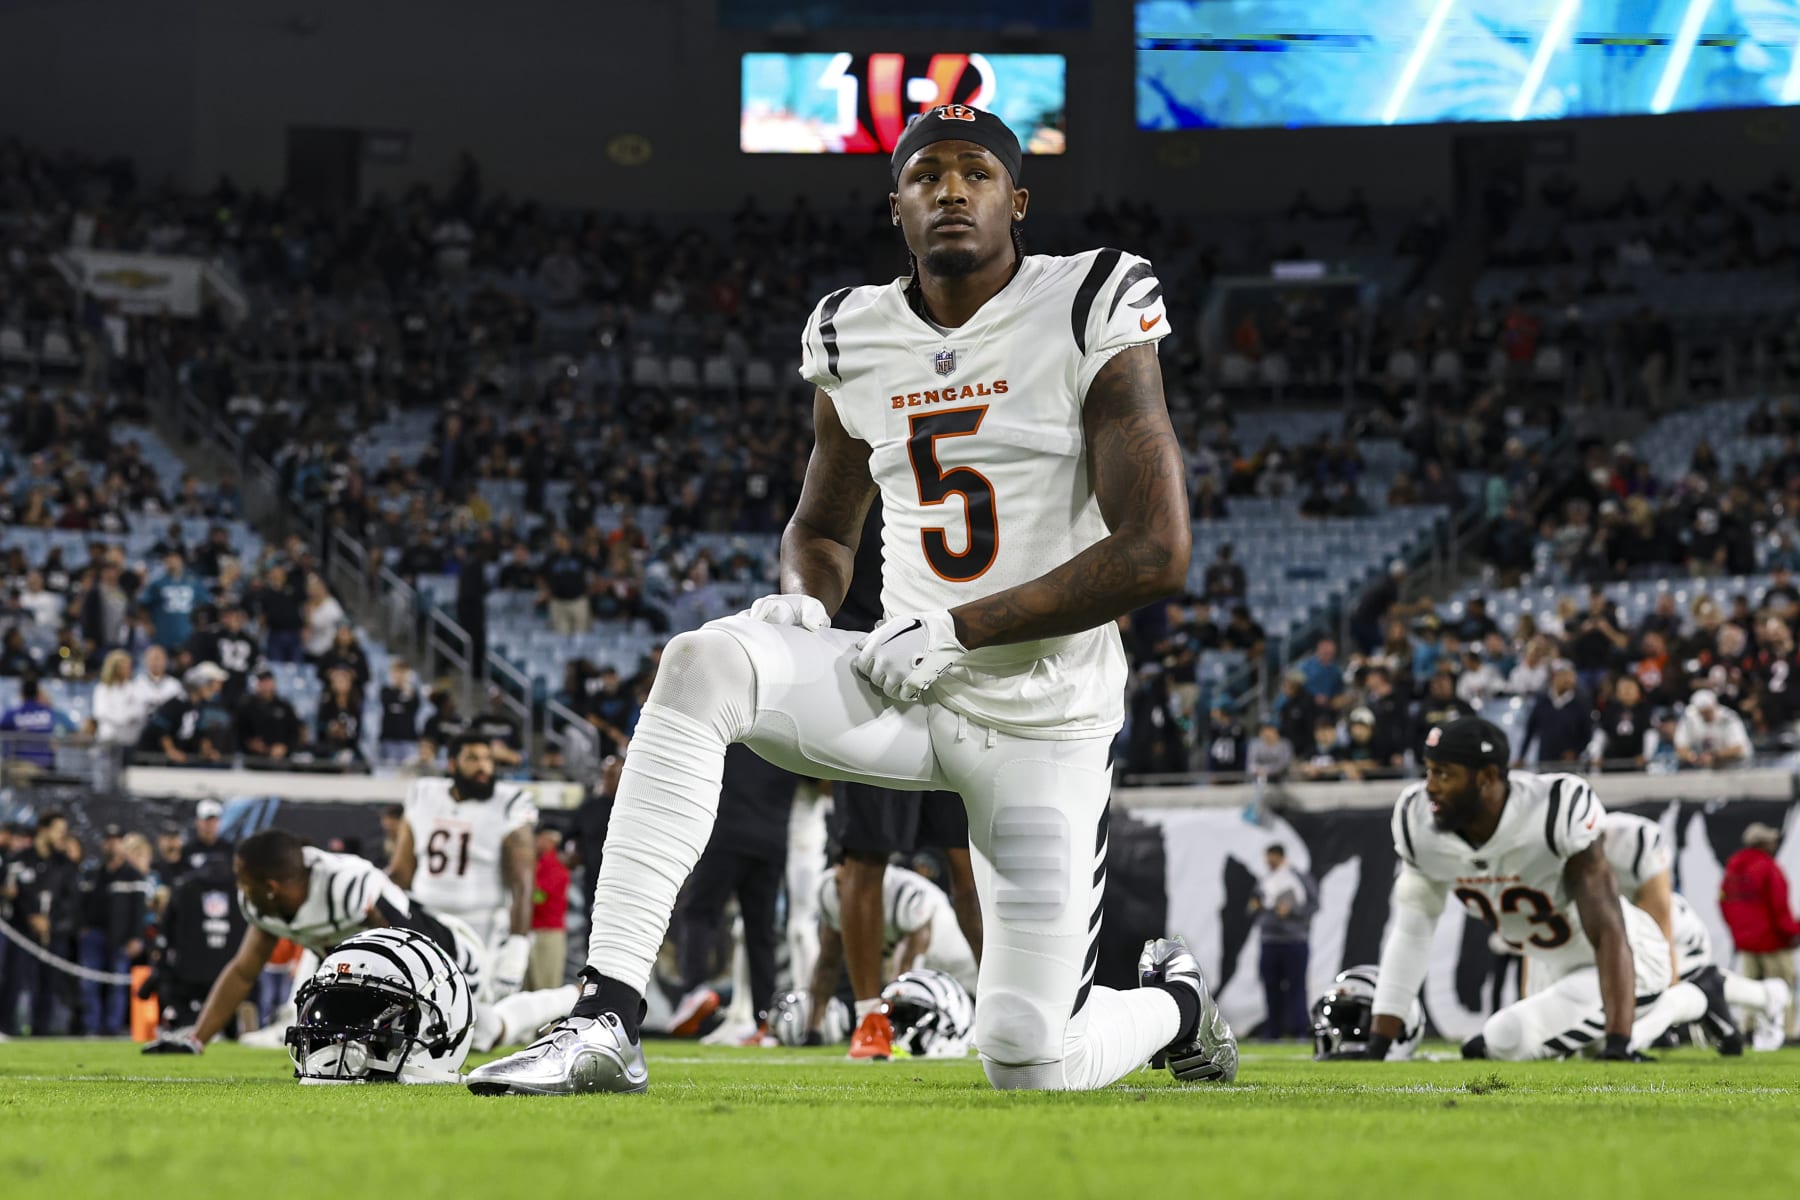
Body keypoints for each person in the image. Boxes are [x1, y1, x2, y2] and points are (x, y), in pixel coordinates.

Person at [469, 104, 1234, 1098]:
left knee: (1027, 1058)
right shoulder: (851, 329)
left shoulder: (1092, 297)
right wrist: (803, 598)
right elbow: (824, 530)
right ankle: (606, 1018)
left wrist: (961, 629)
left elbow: (1157, 553)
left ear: (1018, 199)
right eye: (926, 176)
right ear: (896, 208)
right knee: (705, 662)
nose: (951, 191)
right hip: (903, 687)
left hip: (1043, 712)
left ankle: (1176, 1005)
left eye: (976, 173)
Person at [1360, 718, 1706, 1062]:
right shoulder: (1418, 821)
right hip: (1552, 968)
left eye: (1445, 774)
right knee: (1535, 1045)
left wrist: (1620, 1043)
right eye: (1429, 771)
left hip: (1634, 961)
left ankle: (1688, 999)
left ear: (1487, 777)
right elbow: (1411, 933)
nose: (1431, 787)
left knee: (1506, 1038)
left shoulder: (1554, 809)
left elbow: (1608, 930)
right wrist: (1377, 1046)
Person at [142, 828, 575, 1056]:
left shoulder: (349, 885)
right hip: (382, 974)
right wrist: (196, 1040)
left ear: (271, 885)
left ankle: (567, 998)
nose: (239, 888)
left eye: (245, 880)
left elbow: (413, 948)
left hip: (447, 962)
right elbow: (243, 970)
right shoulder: (266, 903)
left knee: (485, 1033)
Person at [822, 505, 982, 1060]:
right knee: (863, 859)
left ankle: (1002, 1001)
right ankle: (870, 1020)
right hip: (874, 679)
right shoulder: (858, 472)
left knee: (972, 862)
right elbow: (817, 536)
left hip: (954, 676)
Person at [1603, 811, 1779, 1052]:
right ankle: (1761, 998)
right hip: (1762, 935)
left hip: (1679, 934)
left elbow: (1663, 924)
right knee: (1694, 990)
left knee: (1675, 994)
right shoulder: (1763, 868)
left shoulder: (1632, 855)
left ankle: (1629, 1041)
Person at [389, 734, 538, 998]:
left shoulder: (510, 802)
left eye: (488, 759)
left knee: (479, 1010)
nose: (483, 767)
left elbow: (522, 881)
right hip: (426, 920)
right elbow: (401, 871)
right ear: (452, 764)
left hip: (483, 926)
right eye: (473, 759)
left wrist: (518, 944)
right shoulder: (423, 793)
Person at [668, 744, 799, 1044]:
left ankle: (696, 988)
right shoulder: (786, 744)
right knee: (761, 935)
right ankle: (764, 1022)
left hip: (726, 836)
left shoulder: (734, 735)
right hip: (772, 844)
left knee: (699, 912)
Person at [807, 861, 981, 1044]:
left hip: (959, 964)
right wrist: (812, 1031)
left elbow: (907, 969)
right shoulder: (829, 891)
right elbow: (827, 962)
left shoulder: (906, 893)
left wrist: (888, 1023)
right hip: (918, 971)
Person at [0, 809, 79, 1035]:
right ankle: (5, 1029)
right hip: (21, 932)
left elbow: (70, 900)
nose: (62, 836)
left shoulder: (64, 864)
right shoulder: (18, 860)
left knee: (49, 984)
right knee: (13, 980)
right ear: (43, 830)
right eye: (58, 831)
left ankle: (41, 1031)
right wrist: (29, 915)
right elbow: (11, 894)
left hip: (53, 933)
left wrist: (51, 922)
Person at [1719, 822, 1799, 1043]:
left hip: (1746, 943)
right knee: (1782, 989)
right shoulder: (1768, 868)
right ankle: (1785, 1034)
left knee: (1751, 992)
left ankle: (1749, 1030)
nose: (1774, 843)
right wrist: (1792, 932)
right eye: (1771, 840)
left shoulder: (1732, 871)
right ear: (1763, 843)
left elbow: (1725, 905)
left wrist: (1739, 933)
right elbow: (1779, 907)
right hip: (1774, 943)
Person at [77, 824, 148, 1036]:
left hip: (121, 937)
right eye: (109, 840)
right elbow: (80, 902)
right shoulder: (93, 873)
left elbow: (139, 909)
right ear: (103, 843)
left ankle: (112, 1028)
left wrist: (136, 937)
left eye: (117, 840)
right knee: (89, 984)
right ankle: (92, 1027)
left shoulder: (133, 874)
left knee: (117, 984)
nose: (112, 844)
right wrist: (82, 927)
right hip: (94, 935)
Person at [1249, 843, 1316, 1040]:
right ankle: (1273, 1031)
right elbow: (1252, 908)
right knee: (1271, 987)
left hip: (1294, 941)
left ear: (1280, 857)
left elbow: (1314, 904)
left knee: (1296, 986)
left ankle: (1300, 1030)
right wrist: (1257, 906)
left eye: (1271, 858)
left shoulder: (1298, 878)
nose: (1268, 862)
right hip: (1269, 941)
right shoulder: (1265, 881)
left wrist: (1292, 911)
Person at [525, 828, 570, 993]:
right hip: (533, 930)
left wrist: (522, 896)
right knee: (527, 989)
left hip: (548, 933)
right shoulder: (537, 863)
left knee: (545, 989)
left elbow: (539, 897)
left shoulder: (555, 866)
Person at [0, 674, 76, 772]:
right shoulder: (48, 712)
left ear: (21, 693)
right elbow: (70, 729)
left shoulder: (11, 715)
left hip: (20, 766)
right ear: (37, 693)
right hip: (45, 765)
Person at [139, 550, 209, 652]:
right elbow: (142, 605)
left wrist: (201, 626)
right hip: (162, 637)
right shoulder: (157, 583)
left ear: (181, 561)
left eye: (174, 558)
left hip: (187, 637)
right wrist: (147, 624)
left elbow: (205, 606)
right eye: (168, 559)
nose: (172, 562)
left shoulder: (194, 582)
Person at [236, 667, 304, 764]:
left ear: (274, 683)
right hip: (254, 761)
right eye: (262, 681)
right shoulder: (247, 707)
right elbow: (239, 732)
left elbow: (295, 732)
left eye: (268, 681)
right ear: (257, 685)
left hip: (282, 760)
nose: (266, 685)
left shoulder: (285, 707)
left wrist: (285, 747)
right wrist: (250, 743)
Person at [1674, 689, 1752, 769]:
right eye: (1702, 712)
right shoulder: (1690, 718)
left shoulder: (1728, 718)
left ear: (1714, 705)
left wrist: (1714, 756)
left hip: (1738, 766)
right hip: (1709, 769)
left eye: (1707, 711)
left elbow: (1738, 748)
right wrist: (1694, 757)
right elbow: (1680, 748)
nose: (1705, 715)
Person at [181, 799, 233, 873]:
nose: (210, 824)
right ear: (198, 821)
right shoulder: (188, 850)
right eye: (206, 820)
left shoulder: (228, 848)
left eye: (214, 820)